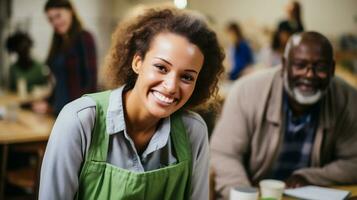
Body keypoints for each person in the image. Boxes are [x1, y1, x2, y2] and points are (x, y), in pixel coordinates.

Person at [39, 7, 224, 200]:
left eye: (186, 77)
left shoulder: (193, 131)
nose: (171, 87)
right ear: (137, 62)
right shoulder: (79, 121)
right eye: (161, 68)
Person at [210, 31, 357, 200]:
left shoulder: (347, 98)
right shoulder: (246, 92)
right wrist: (246, 196)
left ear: (332, 69)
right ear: (284, 64)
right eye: (300, 65)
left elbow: (354, 162)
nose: (309, 74)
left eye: (320, 67)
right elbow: (224, 154)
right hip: (254, 193)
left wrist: (309, 177)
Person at [39, 0, 97, 115]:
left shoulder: (84, 38)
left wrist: (81, 113)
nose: (55, 22)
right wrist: (48, 103)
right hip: (58, 111)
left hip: (76, 114)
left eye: (58, 16)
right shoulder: (59, 42)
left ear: (71, 11)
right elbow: (60, 82)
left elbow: (90, 83)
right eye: (51, 19)